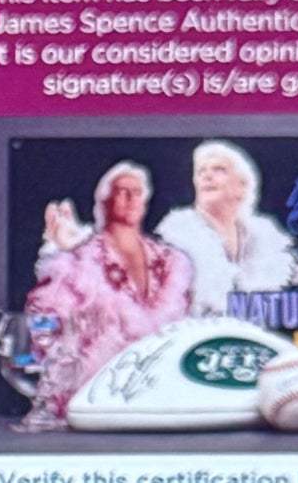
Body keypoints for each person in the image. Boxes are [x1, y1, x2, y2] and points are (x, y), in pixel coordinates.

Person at [21, 161, 194, 431]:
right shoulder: (80, 259)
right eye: (122, 192)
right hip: (98, 392)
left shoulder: (171, 262)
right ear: (105, 202)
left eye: (137, 192)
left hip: (159, 394)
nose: (130, 198)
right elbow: (50, 327)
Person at [154, 139, 298, 318]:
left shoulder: (271, 244)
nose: (207, 176)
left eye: (219, 170)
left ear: (242, 186)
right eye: (201, 172)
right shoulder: (172, 242)